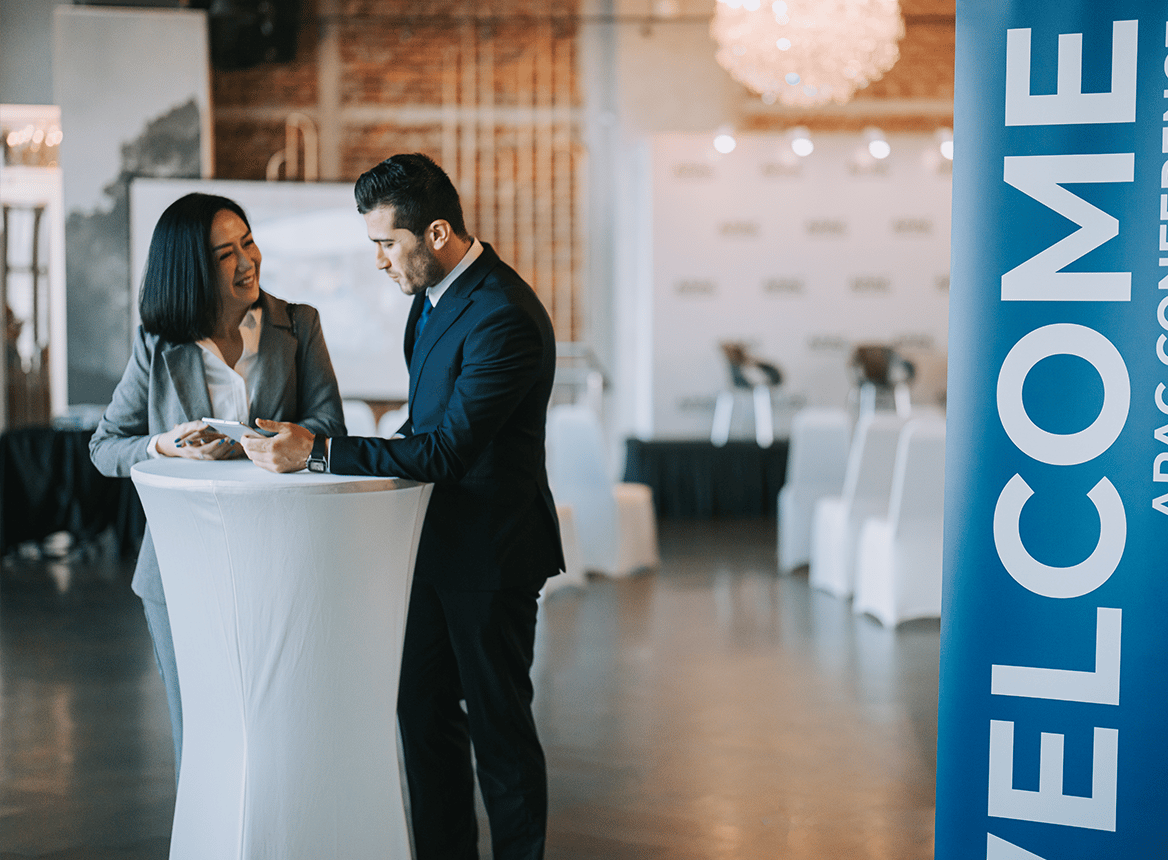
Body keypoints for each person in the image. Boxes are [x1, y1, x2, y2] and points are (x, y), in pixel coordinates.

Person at [244, 153, 563, 860]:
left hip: (492, 557)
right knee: (422, 717)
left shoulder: (504, 314)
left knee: (500, 734)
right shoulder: (431, 299)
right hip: (430, 548)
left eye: (387, 243)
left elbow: (445, 451)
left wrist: (318, 452)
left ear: (437, 233)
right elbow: (426, 429)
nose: (380, 261)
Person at [89, 192, 346, 778]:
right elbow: (104, 447)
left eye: (248, 242)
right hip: (180, 566)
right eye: (225, 254)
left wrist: (269, 442)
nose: (247, 261)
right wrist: (165, 444)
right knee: (200, 735)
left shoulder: (299, 324)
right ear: (190, 270)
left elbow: (330, 425)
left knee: (277, 735)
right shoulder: (157, 343)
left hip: (280, 559)